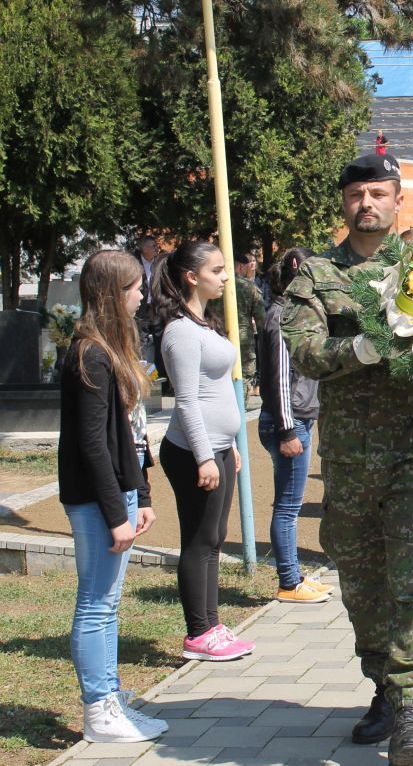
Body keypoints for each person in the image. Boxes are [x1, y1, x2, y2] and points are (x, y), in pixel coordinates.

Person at [283, 153, 413, 762]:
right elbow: (303, 348)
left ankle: (411, 709)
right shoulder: (317, 274)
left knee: (411, 578)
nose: (367, 204)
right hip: (349, 460)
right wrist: (357, 349)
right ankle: (382, 682)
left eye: (378, 193)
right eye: (357, 194)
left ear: (399, 199)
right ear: (345, 203)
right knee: (360, 580)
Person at [59, 250, 168, 744]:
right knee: (96, 603)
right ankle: (98, 709)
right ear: (111, 293)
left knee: (108, 603)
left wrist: (140, 494)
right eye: (135, 287)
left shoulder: (108, 349)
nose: (142, 295)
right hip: (96, 499)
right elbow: (91, 445)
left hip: (118, 494)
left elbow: (128, 434)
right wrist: (114, 513)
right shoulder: (90, 354)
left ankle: (110, 696)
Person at [153, 240, 254, 662]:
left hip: (217, 449)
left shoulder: (204, 323)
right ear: (192, 277)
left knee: (214, 538)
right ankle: (198, 633)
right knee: (198, 540)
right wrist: (204, 456)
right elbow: (187, 401)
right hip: (193, 452)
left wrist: (227, 446)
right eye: (217, 270)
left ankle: (212, 626)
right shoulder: (180, 331)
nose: (226, 276)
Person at [256, 246, 331, 604]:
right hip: (287, 423)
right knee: (287, 507)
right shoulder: (281, 317)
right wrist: (287, 430)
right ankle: (288, 582)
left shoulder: (293, 313)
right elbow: (279, 380)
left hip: (298, 419)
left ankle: (295, 575)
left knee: (291, 505)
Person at [230, 253, 266, 398]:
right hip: (243, 342)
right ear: (240, 266)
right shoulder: (248, 287)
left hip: (217, 338)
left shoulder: (216, 285)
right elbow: (261, 319)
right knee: (243, 379)